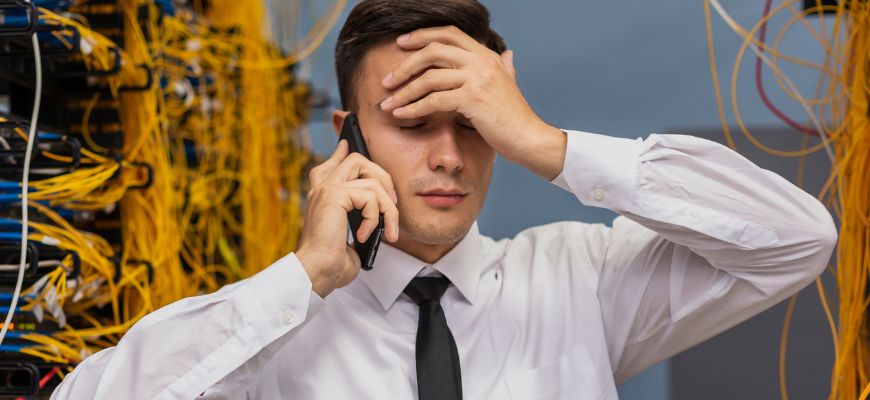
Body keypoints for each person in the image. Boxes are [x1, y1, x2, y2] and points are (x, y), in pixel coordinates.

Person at [51, 0, 837, 399]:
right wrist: (303, 277)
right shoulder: (274, 325)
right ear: (346, 132)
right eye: (412, 123)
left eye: (474, 123)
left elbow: (795, 238)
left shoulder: (584, 281)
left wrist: (547, 144)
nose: (449, 156)